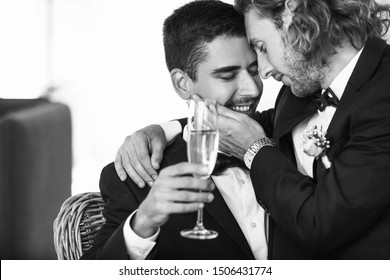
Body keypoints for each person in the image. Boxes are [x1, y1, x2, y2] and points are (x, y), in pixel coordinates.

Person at [114, 0, 390, 259]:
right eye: (228, 75)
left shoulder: (382, 95)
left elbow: (320, 223)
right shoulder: (298, 94)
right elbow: (259, 123)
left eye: (261, 49)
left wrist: (255, 150)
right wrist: (165, 129)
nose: (263, 77)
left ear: (292, 15)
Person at [82, 0, 269, 260]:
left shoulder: (283, 132)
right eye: (227, 76)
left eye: (254, 70)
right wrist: (143, 222)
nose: (253, 89)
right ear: (183, 84)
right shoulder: (137, 179)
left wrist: (164, 128)